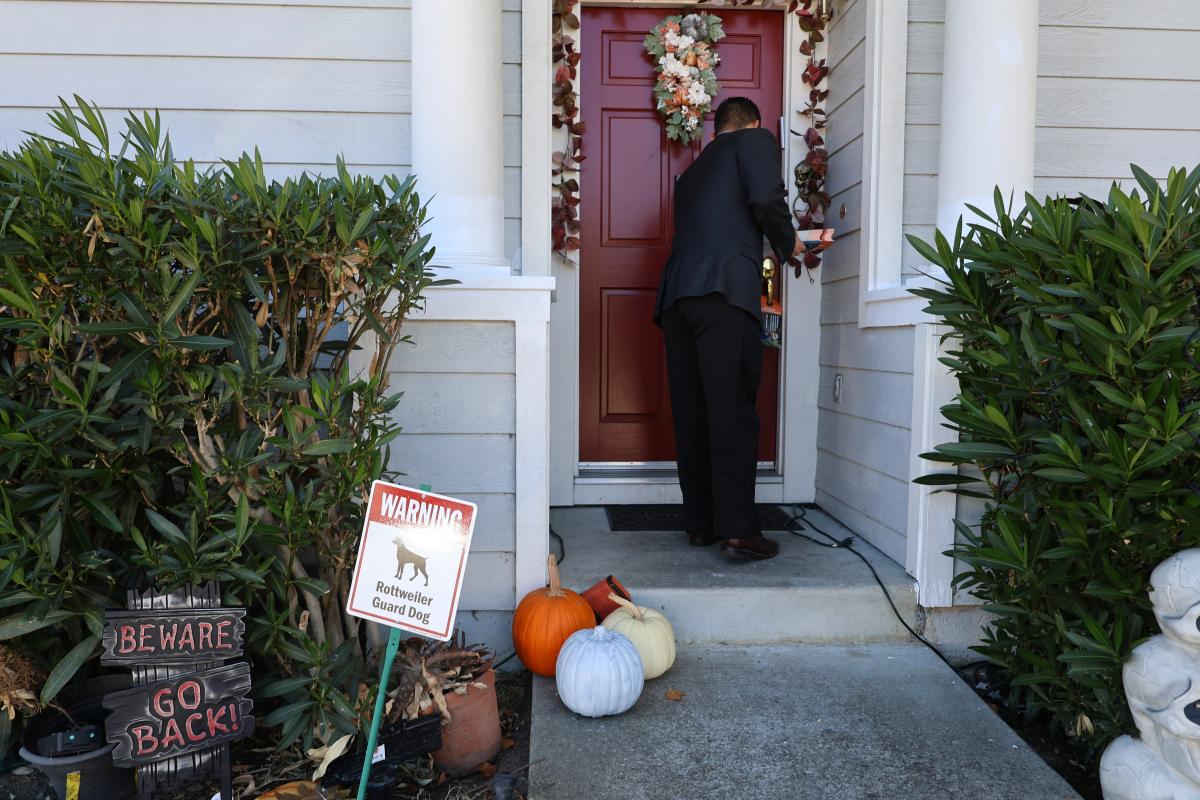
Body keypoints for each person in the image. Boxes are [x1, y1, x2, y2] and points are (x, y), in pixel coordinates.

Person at [653, 96, 803, 562]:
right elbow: (764, 199)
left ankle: (701, 523)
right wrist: (790, 243)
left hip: (679, 298)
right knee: (732, 413)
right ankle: (738, 530)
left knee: (693, 412)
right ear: (752, 124)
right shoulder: (754, 140)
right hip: (724, 295)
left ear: (715, 129)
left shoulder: (694, 173)